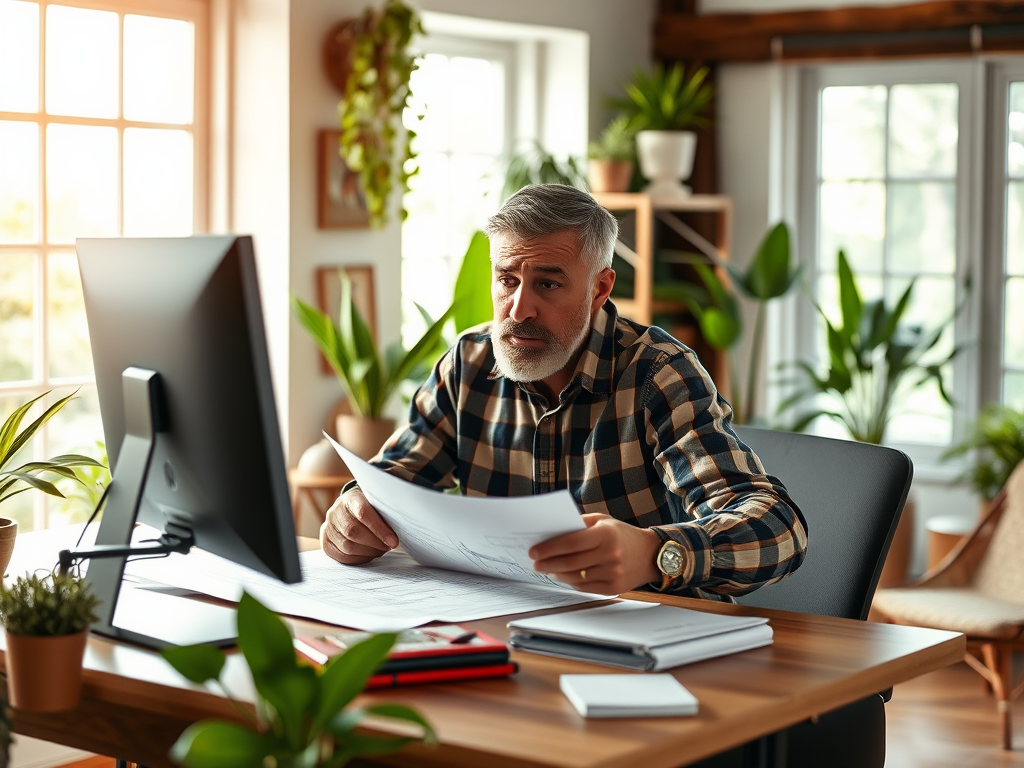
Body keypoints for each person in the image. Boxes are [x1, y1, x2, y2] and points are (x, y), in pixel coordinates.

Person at [321, 184, 807, 599]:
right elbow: (389, 483)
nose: (518, 309)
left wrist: (655, 553)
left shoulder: (658, 374)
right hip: (505, 631)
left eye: (548, 284)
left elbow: (780, 529)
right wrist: (354, 513)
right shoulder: (469, 362)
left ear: (600, 288)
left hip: (644, 644)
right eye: (506, 280)